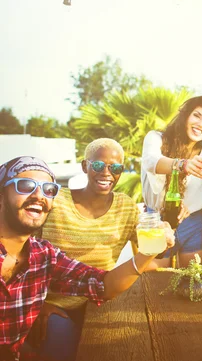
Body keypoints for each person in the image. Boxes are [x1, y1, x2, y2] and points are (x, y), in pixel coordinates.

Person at [0, 156, 175, 361]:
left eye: (49, 189)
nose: (39, 195)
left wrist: (148, 251)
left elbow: (101, 285)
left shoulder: (43, 255)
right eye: (25, 185)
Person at [23, 139, 139, 361]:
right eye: (98, 166)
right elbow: (23, 254)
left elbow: (149, 250)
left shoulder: (127, 206)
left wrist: (168, 227)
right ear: (85, 166)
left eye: (115, 168)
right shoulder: (56, 201)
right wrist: (37, 305)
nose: (107, 173)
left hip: (100, 300)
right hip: (54, 305)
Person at [142, 95, 202, 265]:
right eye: (197, 115)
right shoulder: (156, 138)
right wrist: (182, 164)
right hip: (157, 220)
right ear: (185, 115)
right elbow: (151, 161)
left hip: (194, 224)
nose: (201, 124)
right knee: (154, 285)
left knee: (192, 282)